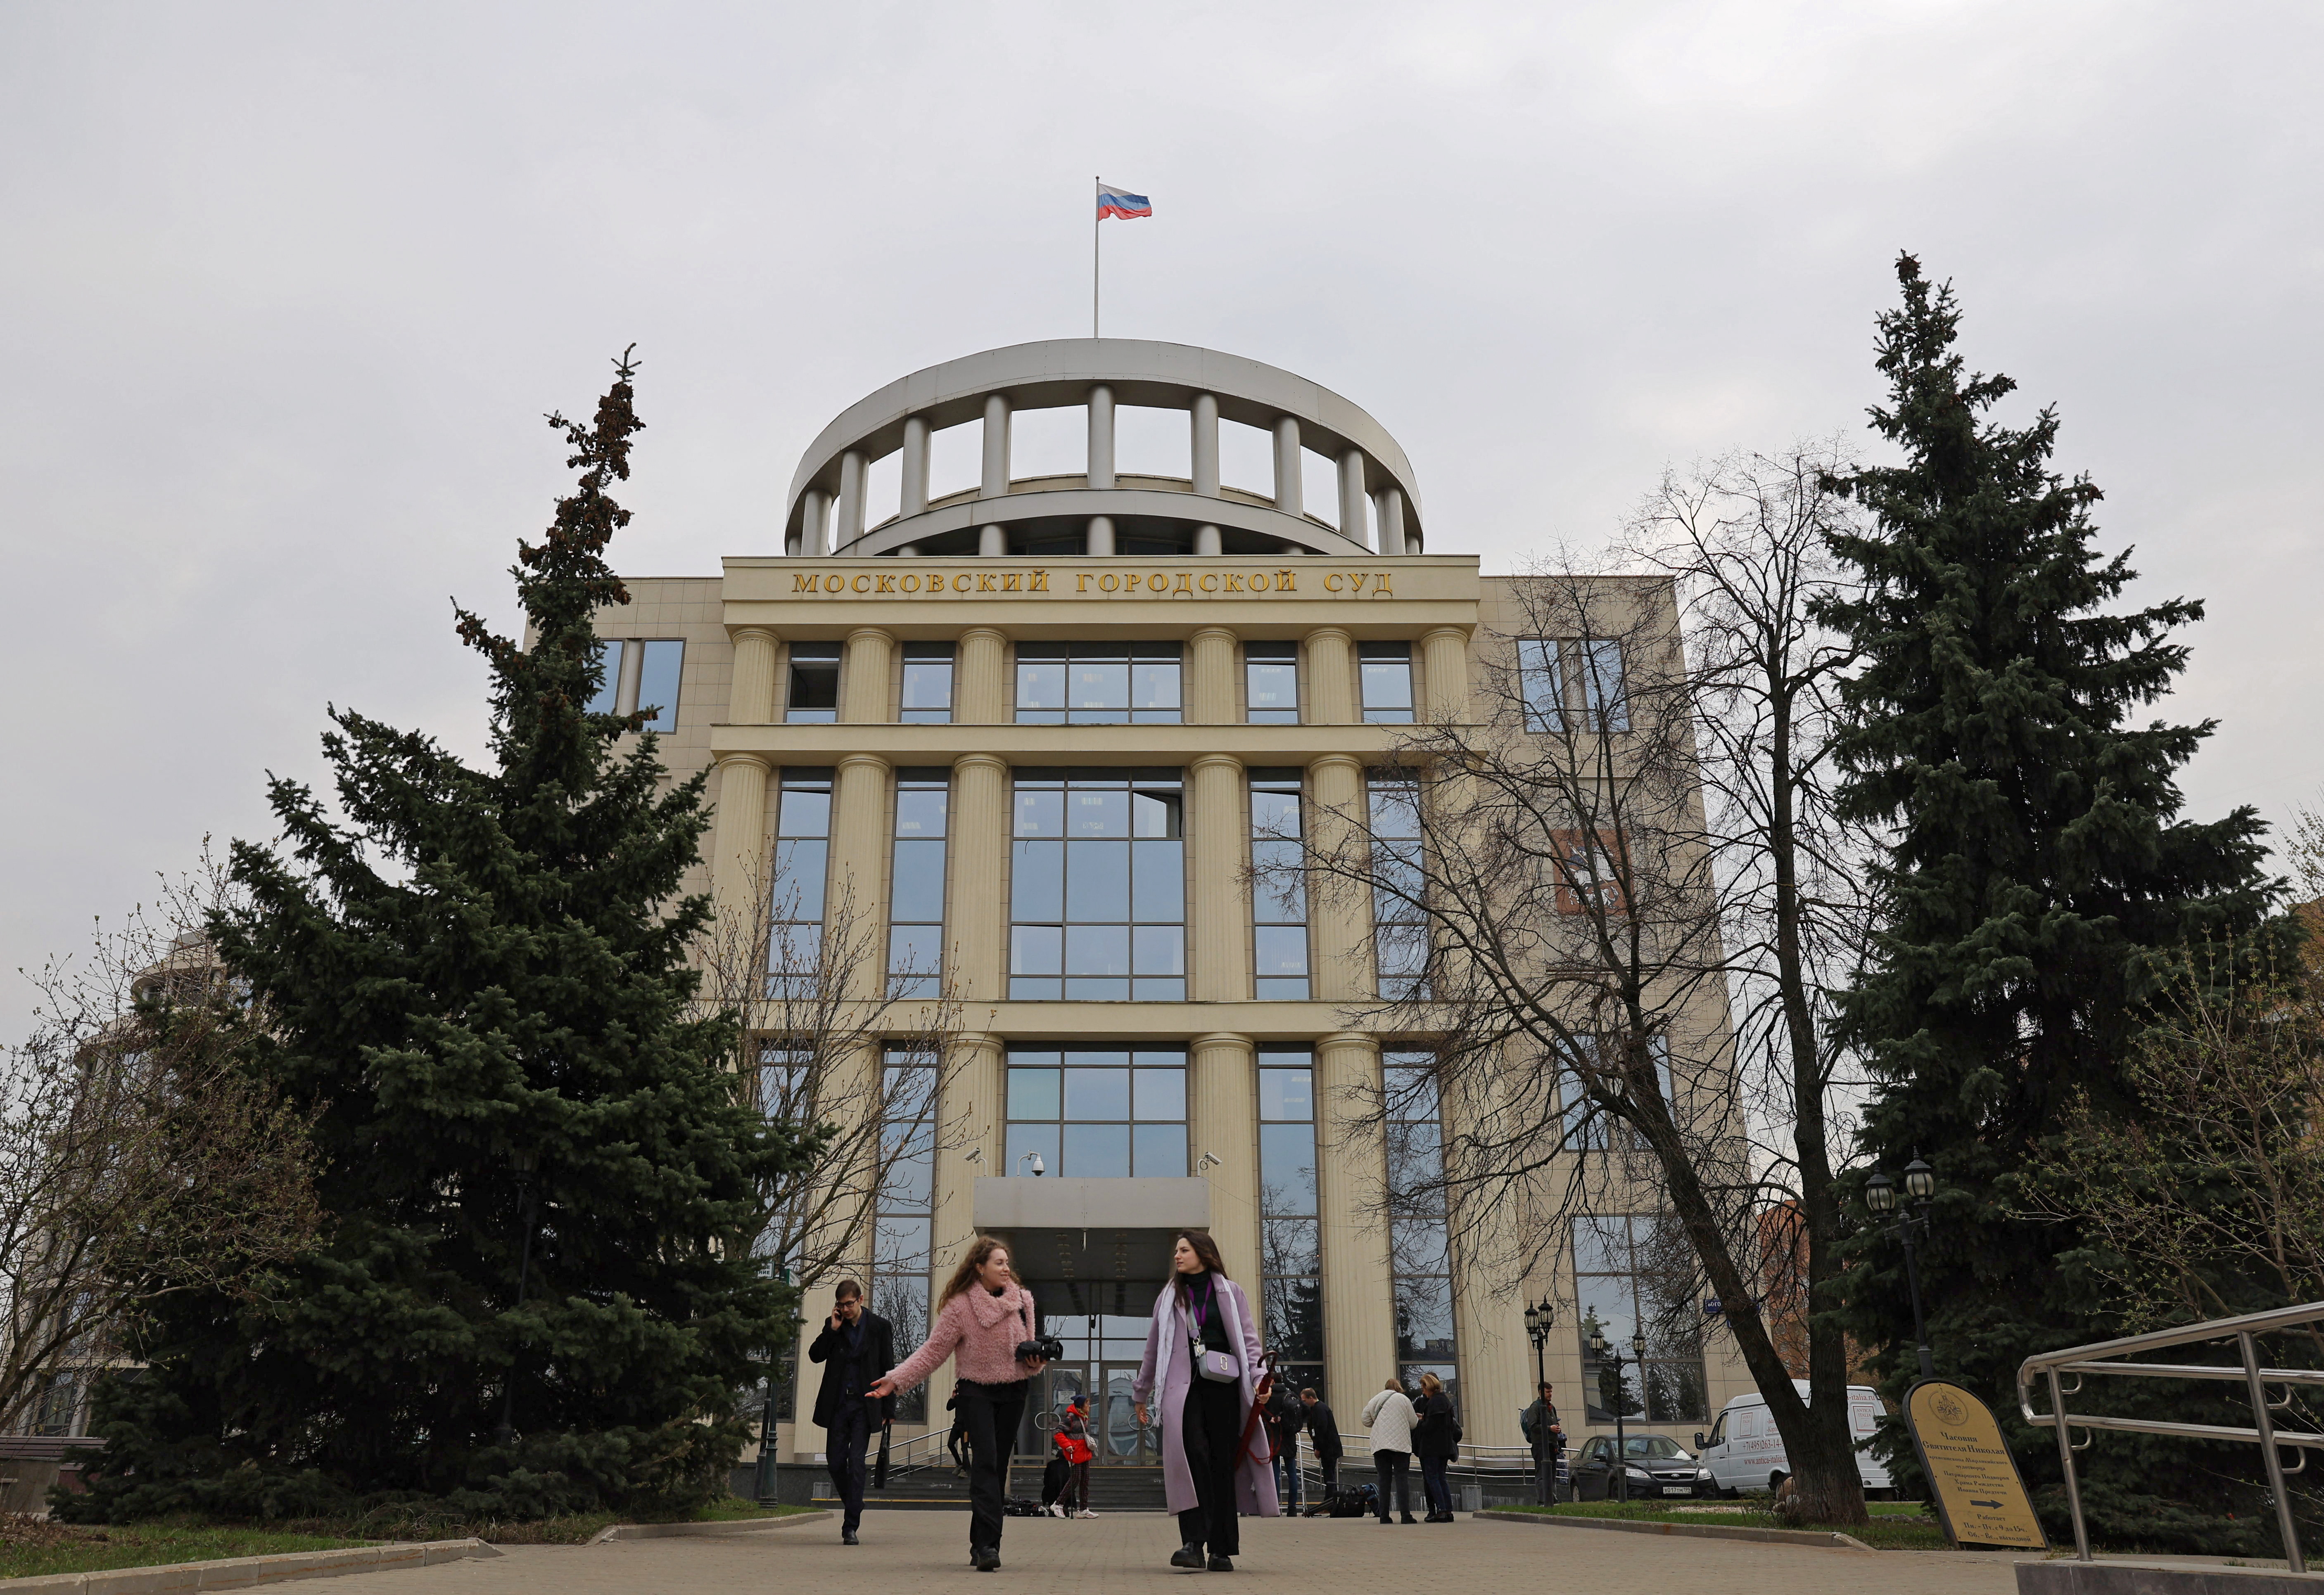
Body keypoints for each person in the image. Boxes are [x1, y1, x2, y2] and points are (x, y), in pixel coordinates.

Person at [866, 1236, 1047, 1573]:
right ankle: (987, 1546)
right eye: (999, 1262)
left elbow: (1028, 1357)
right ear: (979, 1267)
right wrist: (896, 1380)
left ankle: (982, 1542)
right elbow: (933, 1352)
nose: (1007, 1268)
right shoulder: (961, 1306)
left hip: (1014, 1393)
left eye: (1008, 1262)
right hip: (975, 1392)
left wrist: (1036, 1359)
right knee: (986, 1464)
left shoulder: (1023, 1300)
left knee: (998, 1466)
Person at [1132, 1229, 1280, 1571]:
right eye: (1177, 1251)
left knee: (1220, 1462)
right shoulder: (1169, 1297)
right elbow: (1153, 1348)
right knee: (1192, 1458)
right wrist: (1141, 1392)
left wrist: (1260, 1380)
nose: (1177, 1256)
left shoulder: (1231, 1293)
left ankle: (1221, 1549)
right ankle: (1192, 1543)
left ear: (1203, 1252)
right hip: (1182, 1392)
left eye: (1184, 1250)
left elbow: (1249, 1341)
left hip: (1225, 1388)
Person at [807, 1279, 895, 1546]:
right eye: (840, 1305)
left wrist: (889, 1408)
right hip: (837, 1405)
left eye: (849, 1304)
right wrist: (831, 1331)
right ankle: (855, 1502)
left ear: (860, 1299)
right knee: (835, 1462)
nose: (845, 1309)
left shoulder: (880, 1327)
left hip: (865, 1405)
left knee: (857, 1462)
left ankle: (850, 1526)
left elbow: (889, 1369)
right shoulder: (834, 1325)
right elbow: (814, 1355)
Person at [1361, 1377, 1419, 1525]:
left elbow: (1365, 1420)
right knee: (1402, 1479)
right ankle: (1406, 1516)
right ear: (1398, 1387)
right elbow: (1413, 1423)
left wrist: (1378, 1421)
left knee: (1384, 1480)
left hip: (1380, 1444)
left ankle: (1384, 1516)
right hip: (1401, 1445)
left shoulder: (1376, 1399)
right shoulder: (1404, 1399)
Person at [1412, 1371, 1458, 1522]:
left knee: (1432, 1479)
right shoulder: (1444, 1401)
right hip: (1444, 1447)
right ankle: (1448, 1510)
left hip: (1431, 1448)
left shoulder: (1433, 1402)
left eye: (1423, 1387)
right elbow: (1441, 1423)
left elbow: (1428, 1428)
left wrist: (1420, 1422)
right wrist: (1425, 1418)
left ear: (1429, 1386)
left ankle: (1441, 1511)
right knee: (1441, 1478)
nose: (1422, 1391)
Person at [1265, 1380, 1305, 1513]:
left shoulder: (1269, 1397)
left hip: (1274, 1438)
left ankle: (1275, 1507)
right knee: (1292, 1474)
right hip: (1289, 1438)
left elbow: (1259, 1411)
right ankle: (1292, 1509)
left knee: (1275, 1474)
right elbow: (1306, 1410)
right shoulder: (1291, 1395)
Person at [1522, 1382, 1564, 1505]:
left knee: (1552, 1473)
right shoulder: (1535, 1407)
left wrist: (1557, 1429)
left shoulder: (1552, 1408)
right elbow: (1533, 1426)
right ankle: (1542, 1499)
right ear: (1541, 1392)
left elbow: (1554, 1422)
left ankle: (1552, 1498)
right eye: (1548, 1392)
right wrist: (1549, 1428)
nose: (1550, 1394)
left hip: (1552, 1444)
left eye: (1551, 1392)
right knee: (1541, 1473)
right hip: (1540, 1445)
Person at [1054, 1393, 1097, 1518]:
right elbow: (1058, 1432)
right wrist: (1067, 1445)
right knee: (1076, 1479)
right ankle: (1058, 1504)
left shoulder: (1084, 1416)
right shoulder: (1071, 1417)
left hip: (1085, 1452)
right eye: (1087, 1403)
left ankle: (1084, 1509)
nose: (1089, 1406)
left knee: (1085, 1480)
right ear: (1080, 1406)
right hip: (1075, 1452)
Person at [1300, 1388, 1343, 1498]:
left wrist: (1318, 1448)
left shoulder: (1319, 1410)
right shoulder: (1319, 1409)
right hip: (1329, 1448)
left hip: (1329, 1449)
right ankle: (1333, 1501)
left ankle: (1330, 1503)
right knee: (1330, 1476)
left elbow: (1321, 1430)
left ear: (1311, 1398)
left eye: (1305, 1401)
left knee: (1329, 1477)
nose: (1304, 1403)